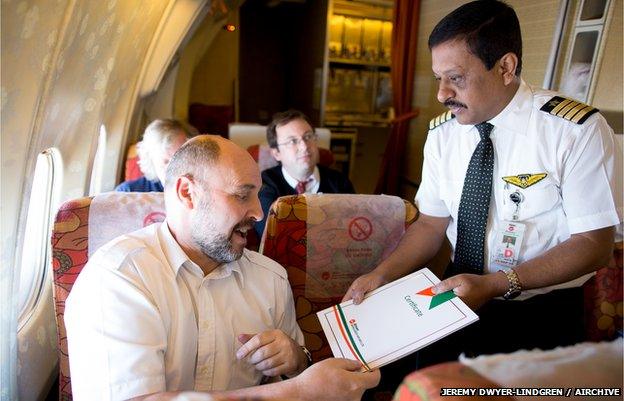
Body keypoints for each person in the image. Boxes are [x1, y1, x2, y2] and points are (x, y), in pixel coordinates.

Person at [344, 0, 621, 368]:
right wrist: (382, 274)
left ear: (505, 67)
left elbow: (593, 245)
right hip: (454, 291)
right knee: (419, 385)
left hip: (540, 309)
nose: (442, 94)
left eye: (455, 78)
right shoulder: (444, 135)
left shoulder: (574, 131)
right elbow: (430, 224)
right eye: (438, 78)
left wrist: (495, 284)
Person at [65, 135, 379, 400]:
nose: (258, 213)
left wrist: (296, 360)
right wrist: (297, 392)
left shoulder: (269, 278)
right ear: (187, 193)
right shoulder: (118, 279)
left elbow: (292, 375)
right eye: (242, 195)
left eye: (257, 196)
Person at [255, 109, 355, 236]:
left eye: (308, 137)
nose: (304, 146)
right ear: (276, 153)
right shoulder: (265, 183)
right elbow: (269, 233)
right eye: (292, 141)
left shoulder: (340, 182)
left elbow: (352, 230)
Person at [115, 119, 191, 192]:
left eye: (180, 159)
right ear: (151, 161)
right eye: (166, 161)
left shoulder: (199, 190)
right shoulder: (127, 192)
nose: (174, 169)